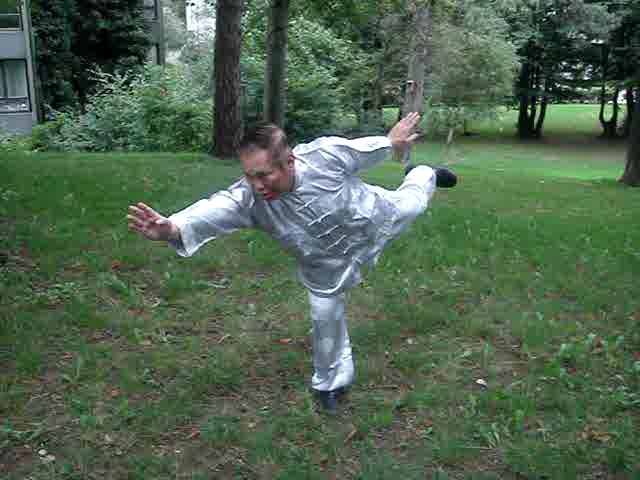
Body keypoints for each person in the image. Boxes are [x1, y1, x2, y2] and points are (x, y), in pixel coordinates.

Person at [127, 112, 457, 415]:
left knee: (413, 204)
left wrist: (391, 141)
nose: (257, 184)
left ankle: (423, 173)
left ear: (289, 160)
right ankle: (331, 383)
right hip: (324, 264)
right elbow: (213, 210)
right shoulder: (248, 199)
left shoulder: (323, 157)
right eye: (249, 176)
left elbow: (361, 150)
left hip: (373, 218)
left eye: (264, 174)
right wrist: (171, 228)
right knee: (325, 318)